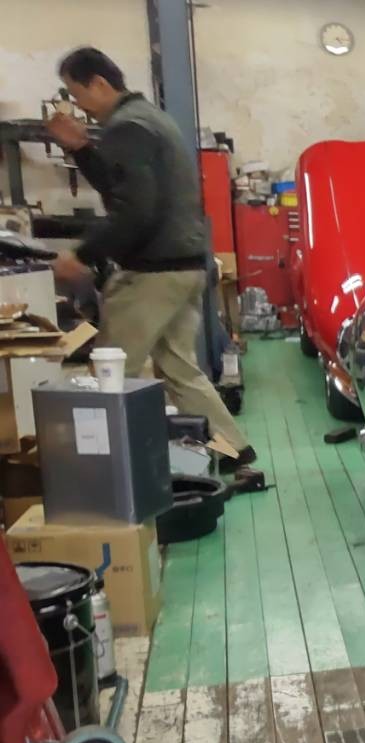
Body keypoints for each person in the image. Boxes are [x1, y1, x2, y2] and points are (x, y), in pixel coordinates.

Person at [45, 47, 256, 468]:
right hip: (183, 266)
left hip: (153, 273)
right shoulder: (149, 120)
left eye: (77, 94)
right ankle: (235, 454)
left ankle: (100, 473)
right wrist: (82, 148)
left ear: (99, 83)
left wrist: (82, 254)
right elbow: (125, 190)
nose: (79, 107)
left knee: (110, 371)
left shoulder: (128, 128)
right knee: (179, 371)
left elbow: (136, 210)